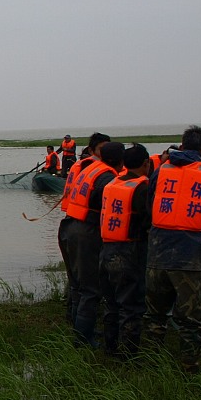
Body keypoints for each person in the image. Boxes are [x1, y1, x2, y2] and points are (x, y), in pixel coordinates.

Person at [144, 126, 201, 373]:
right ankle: (189, 368)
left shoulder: (161, 171)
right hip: (191, 255)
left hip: (157, 252)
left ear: (181, 145)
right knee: (191, 319)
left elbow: (149, 207)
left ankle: (151, 364)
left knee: (154, 315)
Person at [62, 141, 124, 348]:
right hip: (85, 232)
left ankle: (81, 329)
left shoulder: (91, 168)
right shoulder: (107, 177)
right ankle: (83, 338)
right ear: (119, 160)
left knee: (79, 286)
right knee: (90, 289)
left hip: (70, 226)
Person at [99, 144, 152, 357]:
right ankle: (129, 355)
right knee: (131, 306)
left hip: (106, 250)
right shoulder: (141, 187)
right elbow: (149, 219)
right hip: (129, 250)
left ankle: (110, 348)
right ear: (145, 163)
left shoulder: (112, 183)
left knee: (111, 304)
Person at [57, 132, 110, 327]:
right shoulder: (95, 169)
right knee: (86, 284)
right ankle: (83, 331)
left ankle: (74, 319)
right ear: (92, 149)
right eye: (102, 149)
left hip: (72, 223)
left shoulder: (83, 166)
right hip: (83, 226)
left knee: (77, 282)